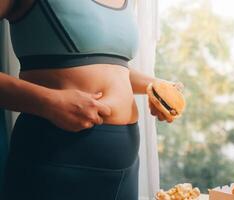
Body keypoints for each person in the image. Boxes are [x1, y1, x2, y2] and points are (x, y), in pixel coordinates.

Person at [0, 0, 180, 199]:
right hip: (55, 156)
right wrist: (49, 102)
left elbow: (110, 67)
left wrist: (155, 85)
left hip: (125, 166)